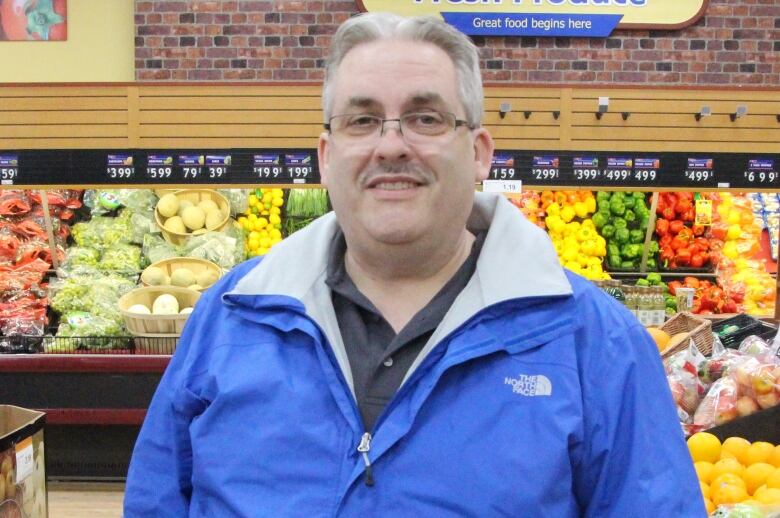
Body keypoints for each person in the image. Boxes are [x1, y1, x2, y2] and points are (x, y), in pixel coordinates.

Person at [124, 12, 704, 517]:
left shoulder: (595, 342)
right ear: (326, 158)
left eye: (426, 118)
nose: (392, 145)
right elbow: (157, 499)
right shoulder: (231, 317)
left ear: (478, 153)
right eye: (361, 120)